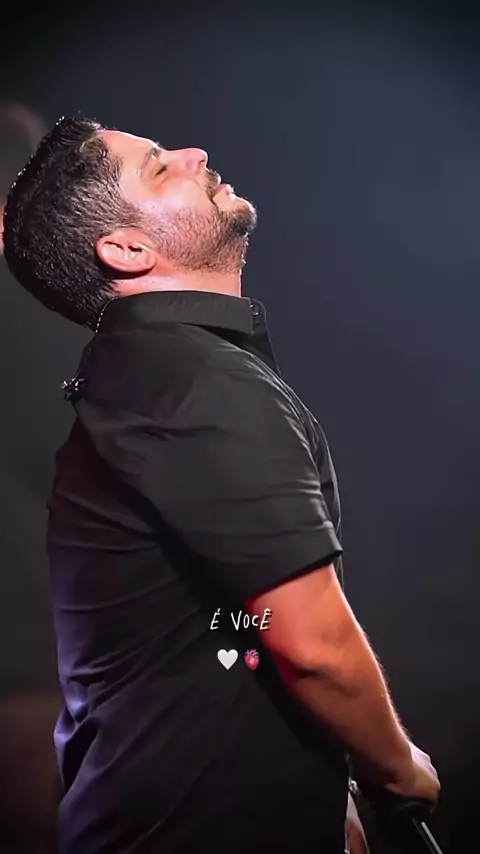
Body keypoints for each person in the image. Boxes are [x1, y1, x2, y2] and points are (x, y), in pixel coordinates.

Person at [2, 115, 440, 854]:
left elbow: (221, 622)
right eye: (158, 166)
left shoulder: (151, 375)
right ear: (126, 249)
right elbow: (311, 644)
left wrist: (316, 784)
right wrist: (396, 768)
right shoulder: (194, 382)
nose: (193, 153)